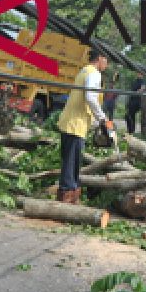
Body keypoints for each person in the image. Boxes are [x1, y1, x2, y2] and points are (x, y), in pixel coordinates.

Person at [56, 48, 113, 204]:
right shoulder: (94, 74)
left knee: (72, 161)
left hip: (71, 122)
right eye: (106, 60)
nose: (107, 65)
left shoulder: (84, 71)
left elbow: (85, 101)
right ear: (100, 58)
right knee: (71, 162)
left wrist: (96, 123)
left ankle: (70, 191)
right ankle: (68, 195)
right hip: (75, 125)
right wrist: (103, 118)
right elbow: (90, 97)